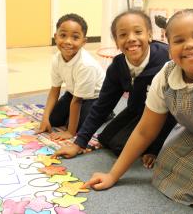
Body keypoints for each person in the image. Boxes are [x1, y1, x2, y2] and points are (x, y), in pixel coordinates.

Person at [83, 6, 193, 214]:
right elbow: (144, 130)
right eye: (179, 40)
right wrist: (112, 175)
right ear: (169, 46)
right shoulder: (165, 75)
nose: (190, 45)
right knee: (164, 169)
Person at [54, 10, 176, 168]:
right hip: (137, 109)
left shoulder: (167, 60)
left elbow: (174, 109)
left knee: (121, 147)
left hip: (163, 114)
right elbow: (102, 106)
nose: (131, 38)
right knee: (105, 138)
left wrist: (154, 148)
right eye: (123, 35)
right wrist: (79, 144)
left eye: (138, 32)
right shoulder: (117, 67)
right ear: (117, 42)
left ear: (150, 35)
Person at [36, 13, 105, 140]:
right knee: (53, 120)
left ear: (84, 42)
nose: (68, 41)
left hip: (94, 98)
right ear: (55, 37)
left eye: (75, 37)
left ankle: (107, 113)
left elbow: (77, 101)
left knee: (75, 126)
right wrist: (45, 118)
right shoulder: (56, 59)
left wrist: (70, 132)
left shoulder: (86, 65)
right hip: (73, 93)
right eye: (63, 35)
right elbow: (54, 90)